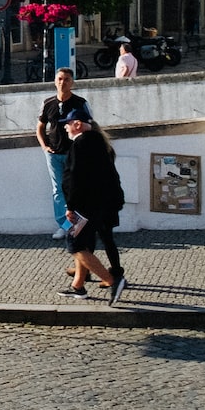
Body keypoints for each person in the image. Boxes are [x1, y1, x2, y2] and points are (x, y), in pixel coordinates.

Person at [61, 116, 126, 303]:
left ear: (77, 124)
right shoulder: (100, 144)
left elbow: (75, 178)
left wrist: (70, 206)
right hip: (100, 205)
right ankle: (78, 286)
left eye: (67, 124)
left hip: (82, 206)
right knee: (84, 243)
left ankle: (112, 280)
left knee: (75, 244)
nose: (65, 127)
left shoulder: (80, 144)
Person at [35, 69, 93, 239]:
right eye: (60, 79)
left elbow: (90, 126)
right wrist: (45, 147)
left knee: (77, 187)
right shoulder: (48, 103)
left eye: (66, 79)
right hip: (53, 154)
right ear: (55, 81)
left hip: (74, 153)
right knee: (58, 190)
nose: (63, 83)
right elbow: (40, 127)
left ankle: (81, 224)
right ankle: (65, 226)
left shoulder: (80, 103)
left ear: (72, 82)